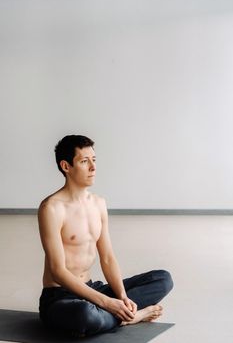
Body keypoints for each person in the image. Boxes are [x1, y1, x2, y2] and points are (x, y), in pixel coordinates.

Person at [38, 134, 173, 337]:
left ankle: (119, 313)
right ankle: (130, 317)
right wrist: (108, 303)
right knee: (84, 315)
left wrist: (121, 296)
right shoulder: (52, 208)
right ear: (66, 166)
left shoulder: (99, 203)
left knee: (163, 279)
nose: (93, 167)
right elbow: (58, 271)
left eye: (94, 160)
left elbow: (108, 258)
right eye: (84, 161)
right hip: (60, 297)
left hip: (92, 289)